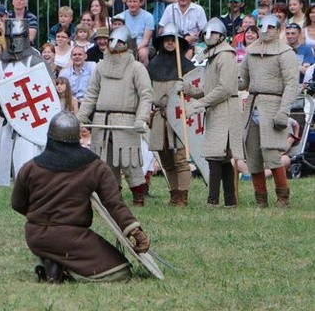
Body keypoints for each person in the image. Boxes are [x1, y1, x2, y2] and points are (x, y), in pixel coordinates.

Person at [11, 111, 151, 283]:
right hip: (71, 238)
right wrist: (134, 230)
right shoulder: (95, 167)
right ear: (78, 136)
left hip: (35, 236)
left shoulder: (30, 167)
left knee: (100, 261)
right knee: (120, 271)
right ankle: (64, 270)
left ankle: (52, 261)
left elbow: (18, 204)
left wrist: (43, 218)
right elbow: (114, 203)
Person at [77, 26, 153, 206]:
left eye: (120, 41)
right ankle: (112, 199)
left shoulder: (137, 68)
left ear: (128, 44)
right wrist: (81, 116)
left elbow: (146, 94)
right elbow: (92, 93)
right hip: (102, 121)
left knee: (130, 163)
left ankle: (138, 197)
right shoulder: (101, 66)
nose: (115, 44)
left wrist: (142, 118)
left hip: (125, 120)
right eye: (113, 41)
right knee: (105, 164)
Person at [238, 15, 299, 207]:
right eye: (263, 27)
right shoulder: (251, 51)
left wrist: (284, 111)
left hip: (273, 105)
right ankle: (261, 199)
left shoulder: (285, 52)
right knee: (253, 156)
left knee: (272, 155)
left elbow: (291, 84)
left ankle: (283, 198)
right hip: (252, 104)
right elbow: (243, 81)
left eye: (271, 27)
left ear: (278, 29)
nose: (266, 30)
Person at [182, 19, 244, 207]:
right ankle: (229, 200)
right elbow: (210, 88)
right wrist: (189, 90)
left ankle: (213, 200)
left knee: (215, 155)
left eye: (213, 34)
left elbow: (225, 88)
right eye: (206, 34)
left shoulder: (225, 56)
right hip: (217, 108)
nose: (209, 37)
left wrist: (199, 104)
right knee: (221, 156)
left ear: (221, 36)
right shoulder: (213, 57)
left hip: (225, 108)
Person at [0, 19, 47, 191]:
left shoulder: (35, 60)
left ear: (26, 37)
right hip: (7, 117)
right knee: (6, 160)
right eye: (10, 37)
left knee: (27, 158)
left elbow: (47, 89)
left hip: (30, 119)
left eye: (17, 36)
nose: (14, 41)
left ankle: (32, 191)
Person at [147, 24, 195, 206]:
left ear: (179, 43)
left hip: (178, 116)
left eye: (172, 40)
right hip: (159, 116)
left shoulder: (187, 66)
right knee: (165, 157)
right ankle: (174, 194)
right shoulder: (152, 66)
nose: (169, 43)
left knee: (180, 158)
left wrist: (185, 89)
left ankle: (183, 196)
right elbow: (146, 91)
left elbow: (195, 91)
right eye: (166, 40)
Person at [123, 0, 155, 65]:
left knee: (142, 54)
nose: (132, 4)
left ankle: (143, 75)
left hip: (144, 46)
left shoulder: (148, 17)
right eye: (130, 1)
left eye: (135, 1)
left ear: (140, 3)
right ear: (126, 3)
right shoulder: (121, 16)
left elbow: (146, 41)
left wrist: (133, 49)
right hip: (125, 46)